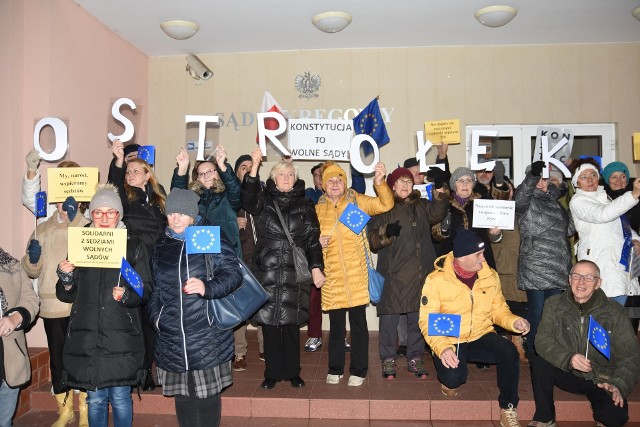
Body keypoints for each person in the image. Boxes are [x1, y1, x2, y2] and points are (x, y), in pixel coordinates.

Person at [56, 184, 151, 427]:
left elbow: (145, 289)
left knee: (120, 397)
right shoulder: (81, 243)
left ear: (119, 214)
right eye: (99, 212)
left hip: (121, 334)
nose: (105, 218)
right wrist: (66, 279)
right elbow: (68, 295)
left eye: (111, 212)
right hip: (87, 334)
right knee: (95, 399)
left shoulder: (133, 245)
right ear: (91, 214)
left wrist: (127, 295)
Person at [148, 188, 242, 427]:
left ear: (193, 215)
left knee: (207, 396)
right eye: (171, 213)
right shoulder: (161, 245)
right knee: (183, 396)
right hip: (172, 334)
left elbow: (233, 274)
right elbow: (155, 288)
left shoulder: (209, 237)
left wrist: (207, 287)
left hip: (206, 332)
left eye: (181, 213)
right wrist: (157, 318)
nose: (175, 218)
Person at [419, 227, 530, 427]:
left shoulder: (490, 276)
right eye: (478, 254)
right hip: (452, 340)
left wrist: (514, 321)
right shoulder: (436, 280)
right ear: (462, 257)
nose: (483, 258)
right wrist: (442, 348)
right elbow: (427, 320)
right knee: (454, 379)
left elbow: (498, 310)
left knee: (509, 352)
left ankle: (508, 408)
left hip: (481, 334)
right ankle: (448, 379)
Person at [242, 149, 324, 390]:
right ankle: (272, 373)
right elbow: (247, 199)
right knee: (269, 324)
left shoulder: (306, 203)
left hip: (293, 268)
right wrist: (254, 166)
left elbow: (311, 239)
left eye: (290, 174)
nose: (286, 178)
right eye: (281, 174)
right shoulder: (264, 200)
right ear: (274, 178)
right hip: (267, 267)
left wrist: (317, 267)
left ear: (296, 178)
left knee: (290, 324)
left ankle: (292, 373)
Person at [529, 260, 640, 427]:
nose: (581, 282)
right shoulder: (554, 304)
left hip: (602, 378)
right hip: (566, 370)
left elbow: (632, 356)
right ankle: (545, 418)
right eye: (576, 276)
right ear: (569, 280)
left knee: (615, 419)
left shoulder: (615, 311)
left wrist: (618, 384)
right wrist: (569, 358)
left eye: (589, 277)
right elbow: (542, 340)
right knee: (539, 360)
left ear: (598, 283)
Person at [316, 161, 394, 386]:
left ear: (345, 183)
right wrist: (317, 242)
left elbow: (386, 204)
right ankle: (335, 368)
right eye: (330, 180)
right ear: (323, 185)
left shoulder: (357, 200)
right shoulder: (317, 209)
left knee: (359, 324)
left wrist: (379, 183)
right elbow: (308, 238)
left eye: (339, 180)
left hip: (358, 275)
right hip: (333, 276)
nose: (334, 184)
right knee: (336, 326)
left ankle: (359, 370)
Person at [368, 166, 448, 379]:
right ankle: (387, 360)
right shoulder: (383, 208)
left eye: (408, 182)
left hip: (420, 273)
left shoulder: (421, 205)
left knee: (417, 318)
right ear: (392, 186)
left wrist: (440, 186)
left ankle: (415, 357)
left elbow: (439, 212)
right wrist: (386, 232)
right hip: (393, 274)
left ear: (413, 185)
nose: (404, 185)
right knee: (389, 320)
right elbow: (373, 240)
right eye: (400, 182)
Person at [21, 193, 90, 427]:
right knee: (58, 360)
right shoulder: (41, 229)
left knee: (83, 358)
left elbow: (94, 251)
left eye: (71, 199)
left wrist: (76, 219)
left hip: (80, 305)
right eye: (61, 198)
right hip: (52, 305)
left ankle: (85, 410)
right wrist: (32, 259)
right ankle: (65, 409)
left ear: (80, 201)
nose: (65, 203)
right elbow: (32, 271)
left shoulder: (86, 223)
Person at [109, 139, 167, 389]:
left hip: (158, 268)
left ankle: (150, 369)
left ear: (147, 175)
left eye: (135, 171)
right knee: (137, 322)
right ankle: (140, 372)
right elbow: (114, 185)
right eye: (128, 172)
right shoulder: (124, 200)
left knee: (153, 322)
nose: (130, 175)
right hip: (134, 268)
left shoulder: (158, 200)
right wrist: (119, 161)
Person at [515, 161, 573, 357]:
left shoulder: (556, 202)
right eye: (537, 178)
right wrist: (532, 175)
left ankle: (552, 355)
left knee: (554, 316)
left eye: (544, 178)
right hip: (536, 267)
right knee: (537, 314)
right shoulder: (525, 200)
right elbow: (522, 194)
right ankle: (534, 355)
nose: (541, 182)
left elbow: (570, 229)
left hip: (558, 265)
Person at [569, 160, 640, 305]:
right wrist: (633, 195)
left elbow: (622, 225)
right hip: (601, 264)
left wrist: (636, 239)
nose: (590, 180)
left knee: (623, 318)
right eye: (584, 177)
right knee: (605, 316)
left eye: (593, 175)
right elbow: (603, 214)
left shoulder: (605, 198)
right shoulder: (578, 201)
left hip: (620, 263)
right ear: (577, 183)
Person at [172, 145, 242, 257]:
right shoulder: (192, 198)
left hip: (225, 255)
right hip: (197, 257)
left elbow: (236, 189)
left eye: (210, 171)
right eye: (201, 174)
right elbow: (176, 201)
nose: (206, 176)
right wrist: (182, 170)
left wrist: (222, 166)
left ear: (218, 173)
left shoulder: (228, 195)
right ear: (197, 178)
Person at [432, 167, 503, 269]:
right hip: (452, 261)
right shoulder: (444, 204)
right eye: (461, 180)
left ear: (473, 185)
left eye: (469, 180)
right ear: (454, 185)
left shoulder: (483, 204)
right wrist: (443, 228)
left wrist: (495, 234)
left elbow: (493, 235)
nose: (465, 184)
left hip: (481, 260)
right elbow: (435, 237)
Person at [231, 153, 264, 370]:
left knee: (264, 305)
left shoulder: (263, 194)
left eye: (251, 167)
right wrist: (232, 222)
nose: (247, 170)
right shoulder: (229, 197)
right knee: (239, 308)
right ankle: (239, 352)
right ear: (235, 172)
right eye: (243, 167)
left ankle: (265, 347)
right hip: (238, 260)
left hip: (261, 259)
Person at [0, 248, 39, 427]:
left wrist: (16, 318)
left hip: (9, 361)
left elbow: (30, 299)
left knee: (4, 421)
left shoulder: (11, 264)